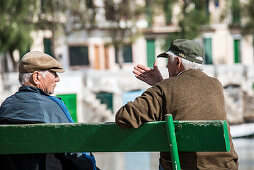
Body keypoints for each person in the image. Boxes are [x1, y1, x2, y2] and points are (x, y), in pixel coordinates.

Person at [115, 39, 238, 170]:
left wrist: (160, 86)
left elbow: (124, 117)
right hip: (227, 167)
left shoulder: (165, 88)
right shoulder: (216, 85)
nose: (167, 66)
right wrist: (161, 85)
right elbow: (184, 98)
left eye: (168, 61)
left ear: (178, 62)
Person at [0, 51, 99, 170]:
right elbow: (75, 148)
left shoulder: (6, 106)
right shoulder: (52, 106)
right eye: (54, 73)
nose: (57, 79)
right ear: (36, 77)